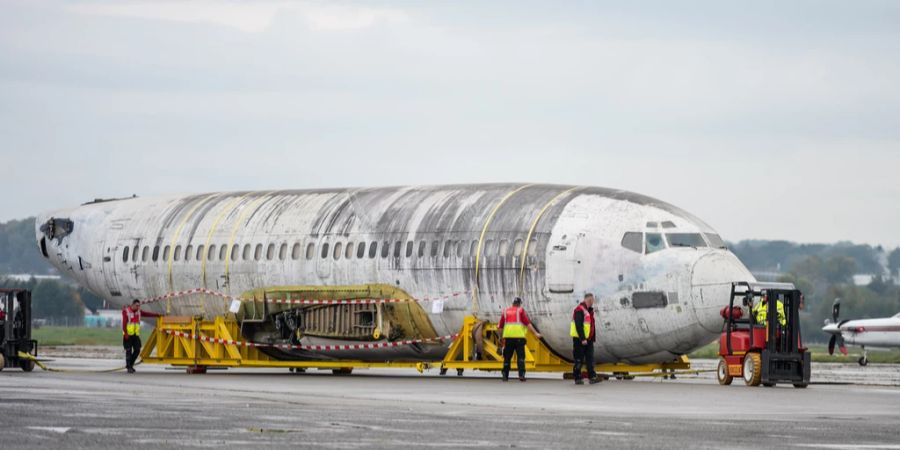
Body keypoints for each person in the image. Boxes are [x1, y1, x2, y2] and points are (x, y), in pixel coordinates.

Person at [498, 297, 542, 382]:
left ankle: (505, 375)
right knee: (521, 357)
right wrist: (535, 333)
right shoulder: (520, 311)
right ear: (519, 304)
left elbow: (500, 327)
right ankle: (521, 375)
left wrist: (500, 337)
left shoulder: (505, 311)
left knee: (507, 357)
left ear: (513, 303)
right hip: (519, 338)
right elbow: (528, 324)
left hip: (508, 338)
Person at [122, 299, 159, 373]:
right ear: (132, 305)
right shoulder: (126, 312)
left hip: (135, 335)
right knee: (128, 351)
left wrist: (156, 315)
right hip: (128, 335)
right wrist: (125, 333)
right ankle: (129, 367)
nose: (138, 307)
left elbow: (147, 314)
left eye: (139, 306)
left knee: (137, 350)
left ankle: (130, 365)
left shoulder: (139, 312)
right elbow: (124, 323)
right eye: (136, 305)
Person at [571, 293, 600, 385]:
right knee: (579, 359)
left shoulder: (589, 310)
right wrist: (583, 338)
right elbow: (578, 325)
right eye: (592, 300)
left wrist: (591, 338)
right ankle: (577, 378)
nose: (593, 302)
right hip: (580, 339)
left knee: (590, 359)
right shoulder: (579, 310)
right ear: (589, 300)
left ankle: (592, 376)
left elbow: (590, 326)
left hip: (589, 339)